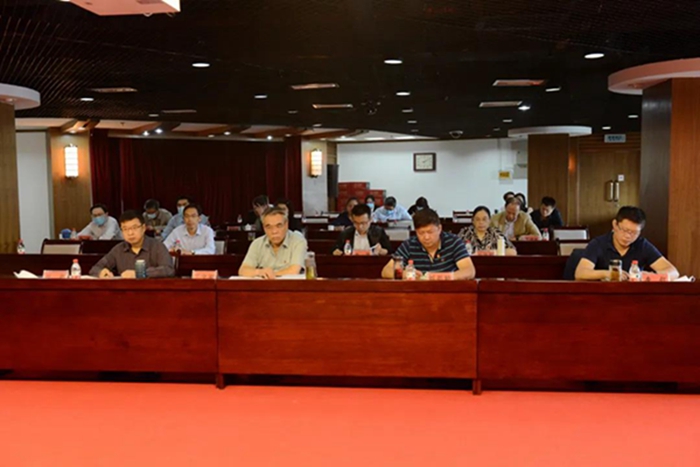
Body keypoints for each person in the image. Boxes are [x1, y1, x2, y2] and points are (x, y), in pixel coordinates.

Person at [575, 206, 679, 281]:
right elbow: (580, 273)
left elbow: (674, 272)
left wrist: (650, 275)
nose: (628, 236)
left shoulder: (642, 245)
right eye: (625, 230)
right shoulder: (598, 243)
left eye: (634, 233)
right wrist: (609, 274)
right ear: (615, 225)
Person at [381, 208, 475, 279]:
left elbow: (469, 271)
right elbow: (386, 271)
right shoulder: (409, 245)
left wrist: (440, 277)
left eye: (430, 232)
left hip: (449, 291)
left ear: (439, 228)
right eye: (421, 233)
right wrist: (403, 274)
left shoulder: (453, 242)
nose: (426, 237)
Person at [89, 210, 174, 278]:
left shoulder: (157, 246)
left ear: (143, 228)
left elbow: (168, 270)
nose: (130, 233)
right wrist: (101, 272)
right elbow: (95, 268)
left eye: (134, 228)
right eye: (125, 229)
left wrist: (141, 273)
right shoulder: (118, 249)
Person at [238, 206, 308, 279]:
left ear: (286, 225)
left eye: (279, 226)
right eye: (268, 227)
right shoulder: (257, 243)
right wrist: (260, 272)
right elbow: (243, 270)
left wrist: (269, 274)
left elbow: (294, 271)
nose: (274, 231)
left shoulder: (298, 241)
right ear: (263, 227)